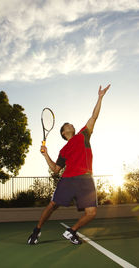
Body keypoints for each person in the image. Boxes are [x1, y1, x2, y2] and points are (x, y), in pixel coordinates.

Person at [27, 84, 110, 245]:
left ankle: (71, 231)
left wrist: (100, 97)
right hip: (68, 180)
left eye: (70, 124)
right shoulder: (63, 150)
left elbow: (94, 117)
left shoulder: (83, 135)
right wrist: (45, 155)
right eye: (67, 125)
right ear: (64, 133)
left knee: (91, 213)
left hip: (86, 179)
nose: (71, 125)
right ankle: (36, 231)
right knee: (52, 205)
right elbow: (55, 170)